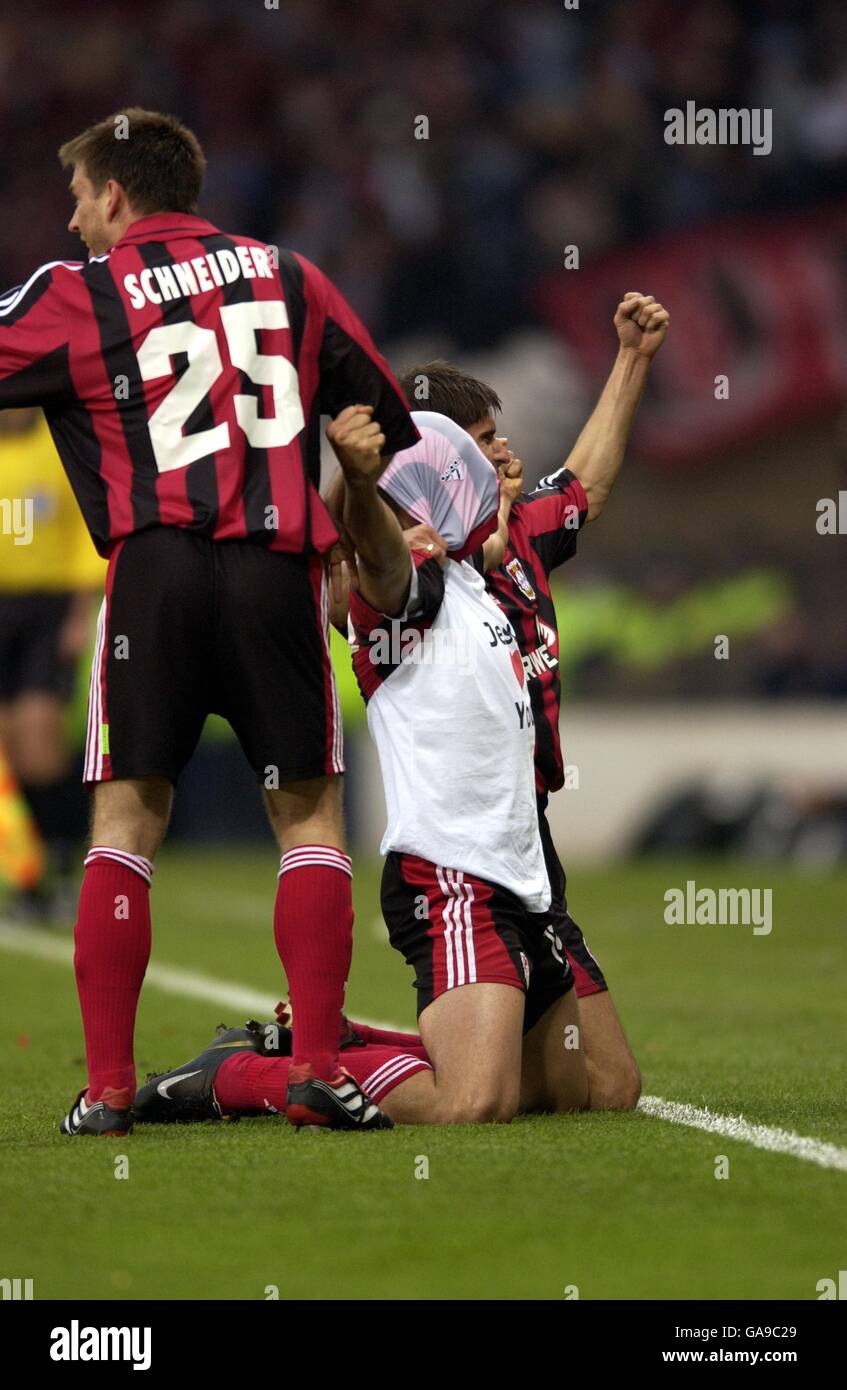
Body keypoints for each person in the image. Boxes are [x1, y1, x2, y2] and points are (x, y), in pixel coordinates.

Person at [0, 107, 418, 1136]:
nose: (72, 223)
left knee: (128, 824)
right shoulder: (290, 274)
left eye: (79, 200)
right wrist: (331, 504)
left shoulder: (81, 293)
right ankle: (319, 1069)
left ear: (114, 194)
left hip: (154, 572)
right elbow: (380, 420)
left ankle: (106, 1093)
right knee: (309, 821)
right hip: (277, 569)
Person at [397, 292, 669, 1107]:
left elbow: (586, 481)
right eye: (482, 441)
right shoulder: (411, 568)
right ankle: (289, 1061)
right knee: (477, 1104)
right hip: (453, 850)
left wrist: (631, 360)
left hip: (528, 846)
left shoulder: (520, 540)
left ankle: (345, 1040)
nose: (504, 447)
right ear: (442, 463)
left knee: (606, 1089)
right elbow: (365, 564)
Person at [0, 408, 104, 920]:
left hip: (47, 610)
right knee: (7, 753)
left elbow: (86, 535)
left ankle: (63, 859)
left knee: (38, 738)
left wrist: (79, 614)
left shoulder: (57, 445)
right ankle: (28, 879)